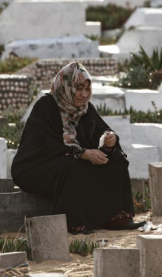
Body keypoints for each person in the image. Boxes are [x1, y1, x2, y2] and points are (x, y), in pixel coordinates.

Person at [11, 61, 141, 233]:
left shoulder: (86, 109)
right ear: (67, 87)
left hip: (71, 163)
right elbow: (48, 145)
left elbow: (102, 131)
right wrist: (84, 153)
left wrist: (109, 139)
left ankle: (116, 217)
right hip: (35, 169)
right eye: (79, 89)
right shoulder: (46, 106)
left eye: (87, 90)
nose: (83, 94)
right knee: (71, 165)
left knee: (116, 159)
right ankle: (74, 223)